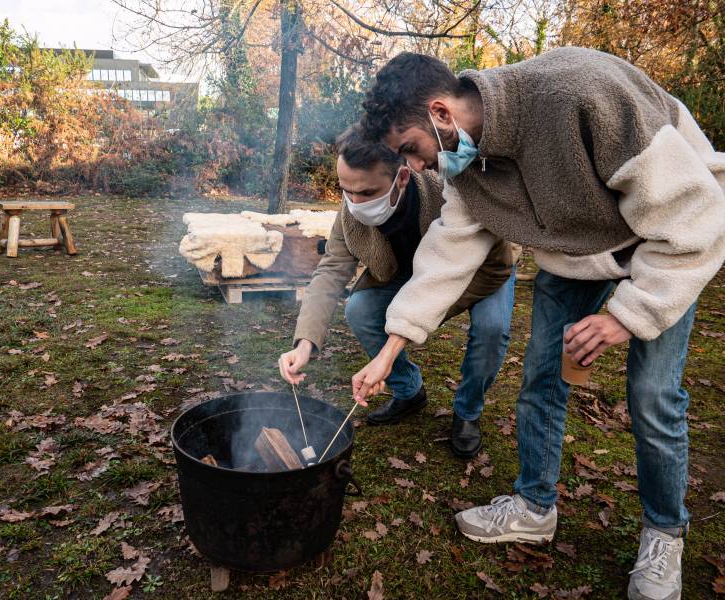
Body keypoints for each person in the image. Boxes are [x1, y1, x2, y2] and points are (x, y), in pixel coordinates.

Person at [353, 48, 725, 600]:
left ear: (440, 112)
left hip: (666, 244)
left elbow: (696, 222)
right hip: (574, 254)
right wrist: (390, 348)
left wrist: (626, 317)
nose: (414, 167)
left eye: (410, 149)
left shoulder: (581, 93)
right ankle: (533, 505)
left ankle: (664, 530)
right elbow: (447, 256)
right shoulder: (468, 166)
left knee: (652, 394)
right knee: (540, 378)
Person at [278, 124, 520, 458]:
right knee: (360, 308)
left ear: (402, 178)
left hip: (485, 266)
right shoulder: (350, 212)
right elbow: (330, 271)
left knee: (492, 328)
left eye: (365, 193)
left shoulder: (450, 193)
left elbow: (490, 269)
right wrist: (304, 344)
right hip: (409, 269)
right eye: (345, 190)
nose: (353, 202)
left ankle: (467, 412)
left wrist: (397, 341)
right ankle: (408, 391)